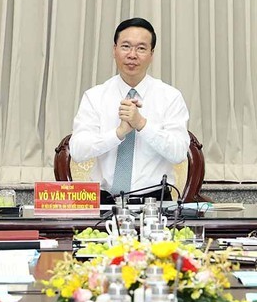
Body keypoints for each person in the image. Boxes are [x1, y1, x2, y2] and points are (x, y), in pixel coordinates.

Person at [70, 18, 190, 203]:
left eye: (141, 48)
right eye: (125, 46)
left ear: (151, 54)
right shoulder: (94, 96)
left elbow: (179, 152)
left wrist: (141, 125)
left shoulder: (170, 97)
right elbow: (78, 151)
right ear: (114, 50)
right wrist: (118, 133)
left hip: (155, 203)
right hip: (104, 202)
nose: (132, 55)